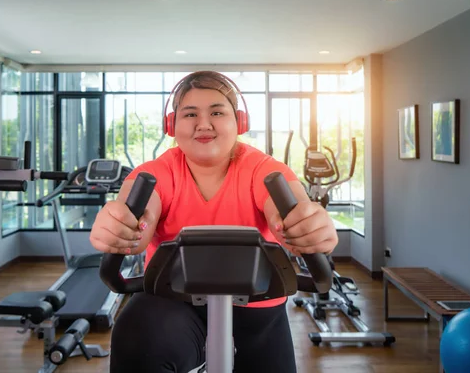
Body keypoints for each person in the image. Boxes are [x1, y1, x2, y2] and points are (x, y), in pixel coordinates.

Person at [90, 71, 339, 373]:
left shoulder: (262, 167)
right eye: (190, 113)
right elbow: (138, 221)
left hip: (257, 310)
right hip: (172, 305)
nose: (203, 124)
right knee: (136, 335)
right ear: (172, 125)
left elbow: (286, 212)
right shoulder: (158, 171)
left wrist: (307, 226)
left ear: (239, 123)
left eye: (217, 112)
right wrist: (120, 226)